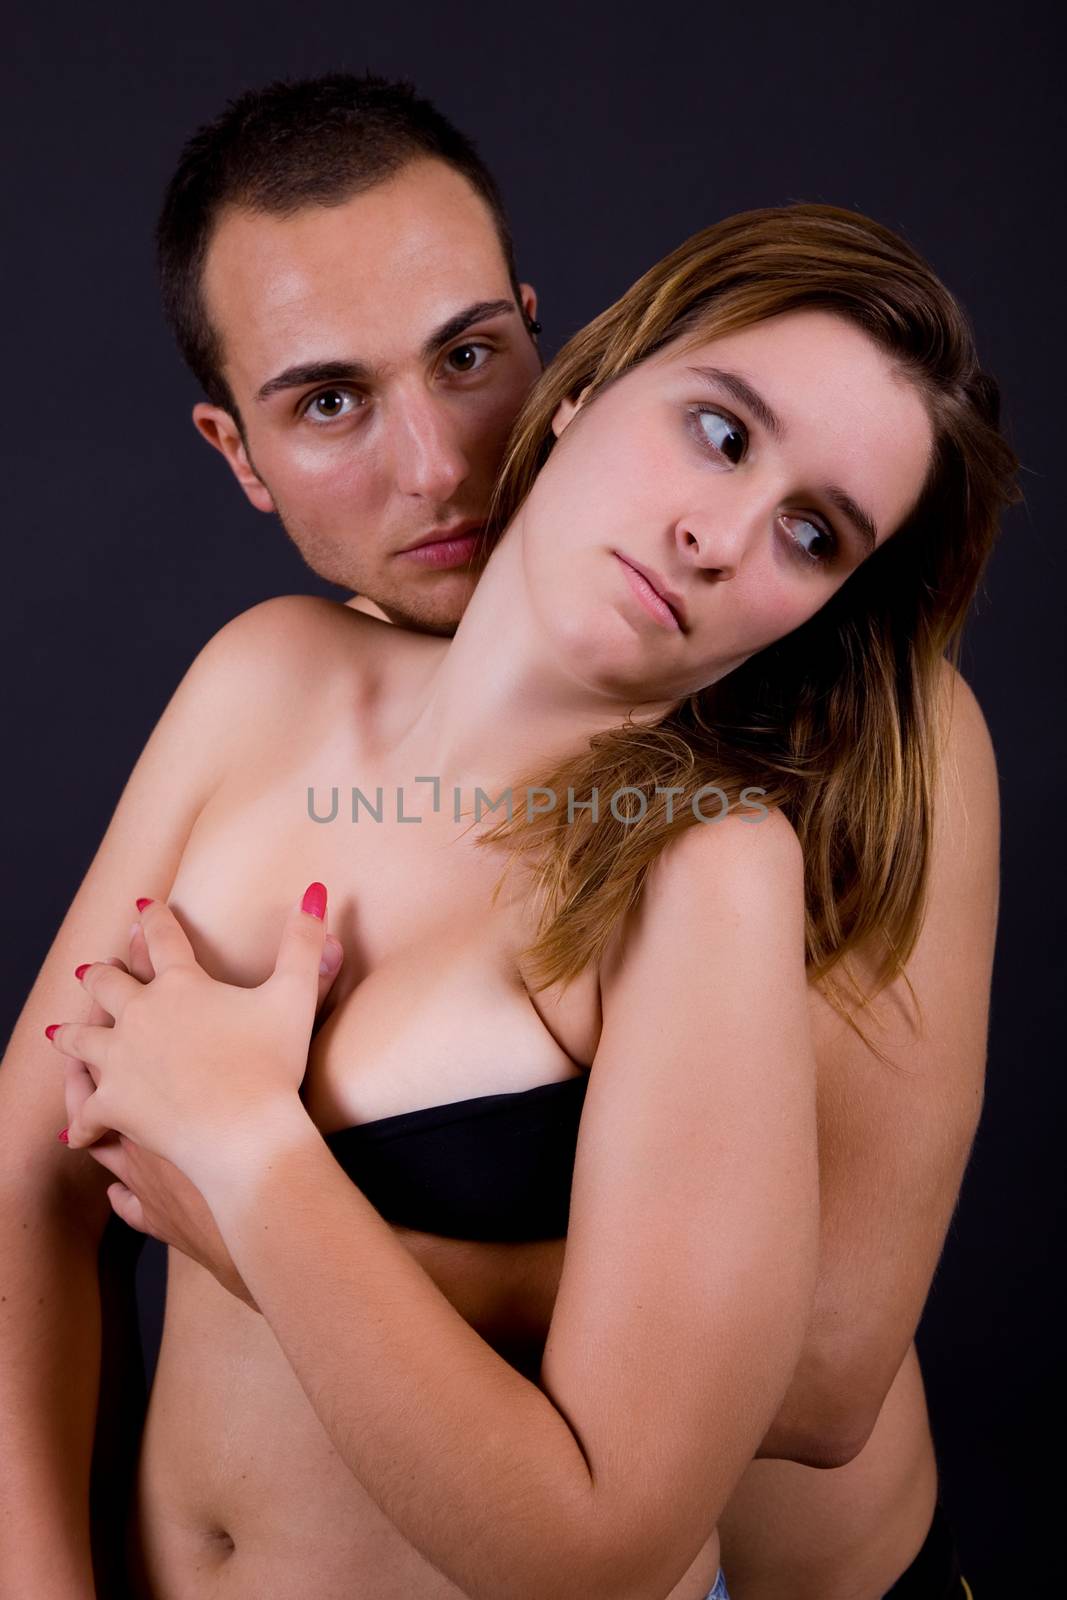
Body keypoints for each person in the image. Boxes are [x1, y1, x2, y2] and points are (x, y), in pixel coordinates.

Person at [0, 78, 1003, 1600]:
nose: (439, 465)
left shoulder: (791, 791)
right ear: (238, 451)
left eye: (468, 358)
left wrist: (255, 1197)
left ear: (553, 343)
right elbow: (29, 1179)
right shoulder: (272, 674)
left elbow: (804, 1378)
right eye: (330, 401)